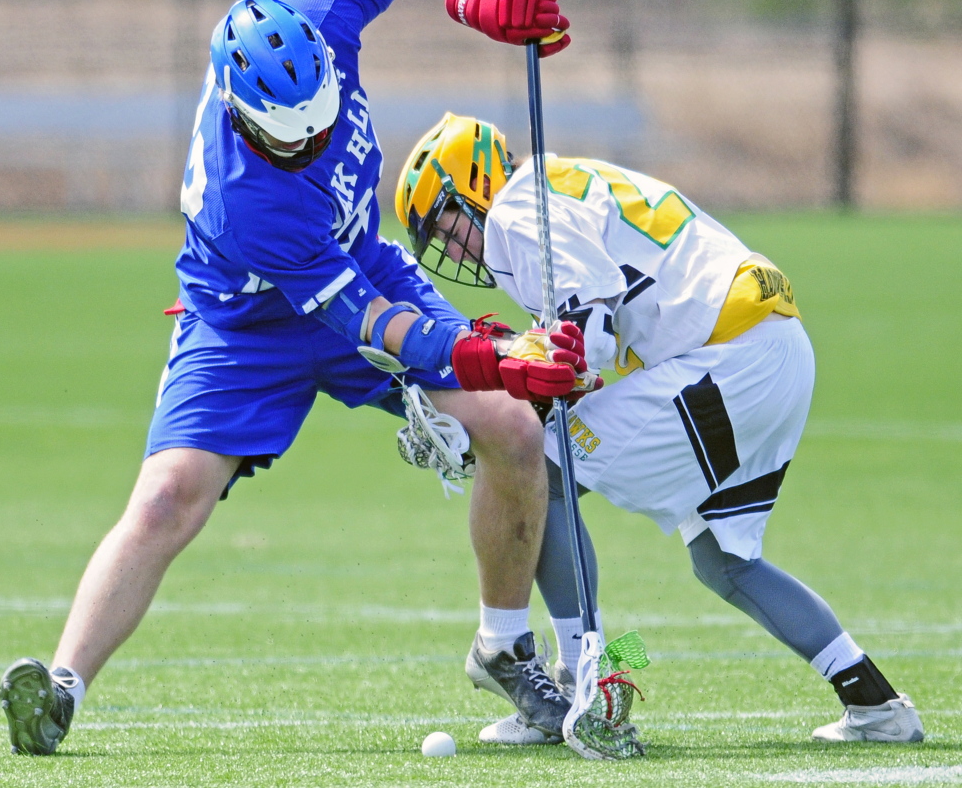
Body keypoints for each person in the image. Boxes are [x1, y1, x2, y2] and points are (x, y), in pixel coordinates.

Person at [0, 0, 587, 755]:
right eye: (292, 135)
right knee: (168, 496)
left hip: (359, 259)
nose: (314, 140)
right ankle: (60, 690)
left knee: (515, 430)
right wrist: (486, 356)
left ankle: (503, 647)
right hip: (245, 319)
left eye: (322, 117)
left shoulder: (310, 12)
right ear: (242, 114)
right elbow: (372, 325)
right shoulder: (254, 206)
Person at [394, 112, 925, 746]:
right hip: (771, 344)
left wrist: (515, 401)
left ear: (472, 186)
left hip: (732, 352)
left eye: (447, 227)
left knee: (543, 471)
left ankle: (576, 683)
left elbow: (586, 330)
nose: (453, 251)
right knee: (725, 561)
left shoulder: (517, 211)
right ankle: (875, 703)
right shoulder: (560, 185)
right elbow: (601, 332)